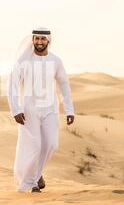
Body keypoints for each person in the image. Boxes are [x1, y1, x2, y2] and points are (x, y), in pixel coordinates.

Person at [8, 27, 75, 193]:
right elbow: (12, 87)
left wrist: (69, 110)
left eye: (42, 39)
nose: (39, 42)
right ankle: (29, 182)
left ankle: (35, 175)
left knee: (51, 144)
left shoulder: (56, 61)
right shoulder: (23, 62)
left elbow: (64, 85)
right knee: (34, 146)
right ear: (32, 40)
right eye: (36, 39)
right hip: (29, 110)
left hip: (50, 109)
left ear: (48, 41)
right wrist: (15, 109)